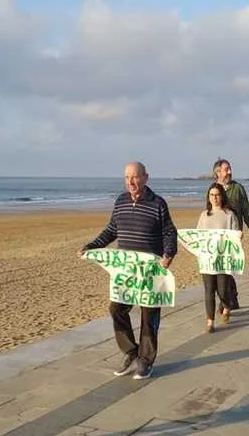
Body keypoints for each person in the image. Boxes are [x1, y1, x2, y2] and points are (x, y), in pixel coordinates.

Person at [81, 162, 177, 380]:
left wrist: (168, 254)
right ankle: (131, 352)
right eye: (127, 177)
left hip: (150, 272)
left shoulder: (158, 203)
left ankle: (146, 360)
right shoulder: (121, 201)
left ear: (145, 177)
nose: (130, 181)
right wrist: (92, 246)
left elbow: (169, 233)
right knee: (116, 309)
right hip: (125, 272)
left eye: (135, 177)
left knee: (148, 315)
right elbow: (112, 230)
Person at [212, 159, 249, 312]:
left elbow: (246, 210)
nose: (230, 172)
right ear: (218, 172)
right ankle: (231, 298)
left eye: (230, 169)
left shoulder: (238, 188)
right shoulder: (213, 189)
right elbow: (208, 211)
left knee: (228, 267)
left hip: (234, 234)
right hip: (217, 235)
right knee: (219, 268)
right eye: (226, 169)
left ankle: (227, 300)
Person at [197, 184, 240, 332]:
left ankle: (227, 306)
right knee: (209, 290)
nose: (214, 198)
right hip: (207, 259)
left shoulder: (229, 215)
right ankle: (210, 321)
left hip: (223, 258)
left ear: (222, 196)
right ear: (208, 197)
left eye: (217, 195)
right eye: (211, 195)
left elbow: (235, 234)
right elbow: (198, 235)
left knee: (222, 289)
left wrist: (237, 237)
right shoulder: (204, 215)